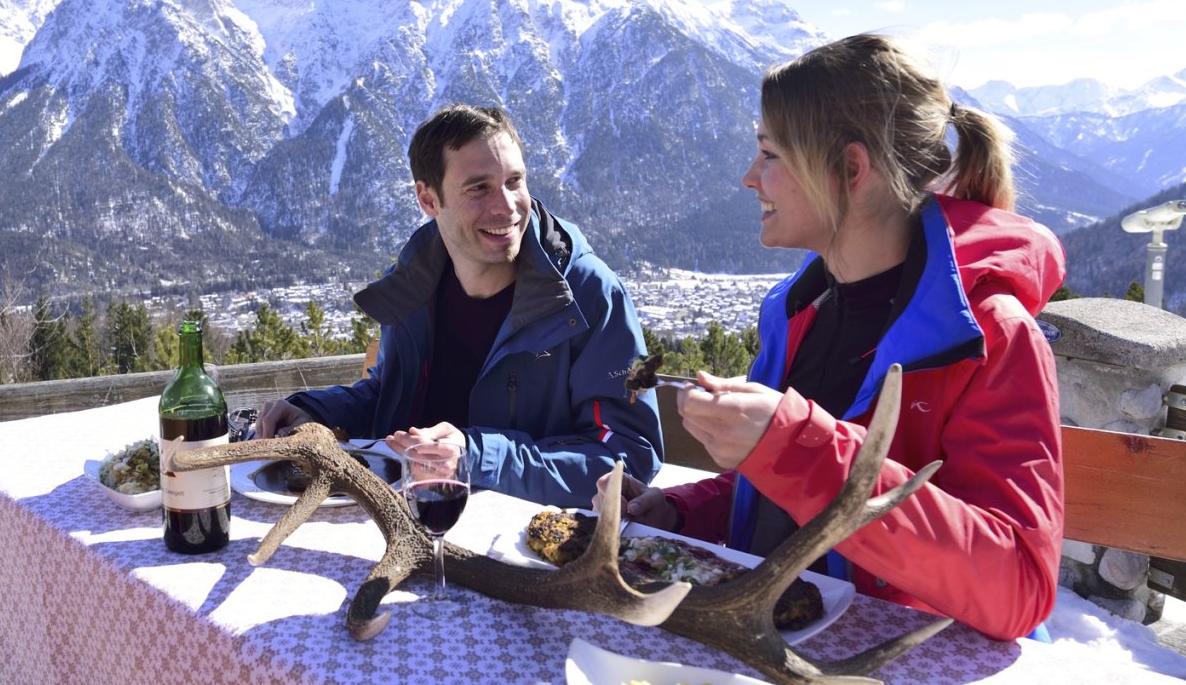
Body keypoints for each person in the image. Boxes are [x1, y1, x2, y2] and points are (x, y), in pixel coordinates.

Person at [598, 34, 1065, 641]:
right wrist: (683, 511)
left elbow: (1018, 586)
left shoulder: (989, 336)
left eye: (769, 154)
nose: (748, 177)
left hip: (893, 661)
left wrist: (797, 445)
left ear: (849, 169)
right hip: (771, 645)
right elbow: (783, 493)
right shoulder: (796, 313)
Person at [256, 104, 662, 508]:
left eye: (515, 181)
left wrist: (476, 456)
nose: (506, 207)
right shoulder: (415, 283)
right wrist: (314, 411)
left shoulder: (588, 296)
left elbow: (630, 457)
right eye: (478, 188)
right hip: (404, 520)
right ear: (428, 199)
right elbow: (389, 396)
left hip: (521, 545)